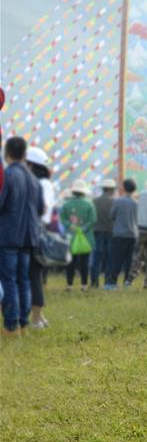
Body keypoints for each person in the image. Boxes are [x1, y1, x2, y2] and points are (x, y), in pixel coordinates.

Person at [0, 136, 44, 335]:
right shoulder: (34, 179)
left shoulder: (7, 175)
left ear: (6, 153)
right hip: (28, 237)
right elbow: (40, 209)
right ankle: (23, 323)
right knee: (23, 279)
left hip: (9, 235)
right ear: (25, 155)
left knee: (8, 280)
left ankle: (11, 325)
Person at [25, 147, 56, 328]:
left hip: (35, 231)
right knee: (35, 275)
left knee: (33, 276)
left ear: (31, 165)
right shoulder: (45, 183)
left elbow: (40, 208)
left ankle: (36, 318)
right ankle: (40, 317)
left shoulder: (40, 184)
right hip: (40, 230)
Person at [60, 179, 96, 291]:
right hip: (86, 238)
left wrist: (71, 226)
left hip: (70, 237)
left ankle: (69, 285)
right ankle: (84, 285)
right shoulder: (89, 204)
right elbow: (93, 220)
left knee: (70, 262)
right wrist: (83, 228)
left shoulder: (66, 204)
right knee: (84, 262)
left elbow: (62, 219)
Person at [105, 179, 138, 289]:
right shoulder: (136, 203)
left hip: (119, 234)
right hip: (133, 234)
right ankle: (127, 283)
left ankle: (112, 283)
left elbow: (111, 215)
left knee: (116, 259)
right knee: (129, 261)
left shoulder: (118, 201)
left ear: (124, 188)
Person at [91, 178, 116, 287]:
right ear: (112, 189)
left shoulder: (94, 201)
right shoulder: (114, 201)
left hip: (97, 231)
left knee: (96, 257)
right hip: (110, 232)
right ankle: (107, 281)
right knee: (110, 257)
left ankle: (94, 282)